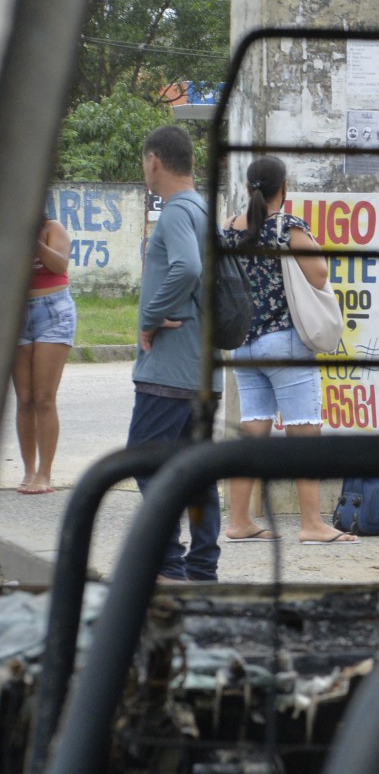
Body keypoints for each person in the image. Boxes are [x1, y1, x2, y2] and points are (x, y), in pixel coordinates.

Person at [218, 156, 356, 545]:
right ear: (284, 189)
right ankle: (312, 523)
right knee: (304, 434)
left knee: (252, 433)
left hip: (243, 345)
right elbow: (319, 274)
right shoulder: (286, 227)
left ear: (248, 189)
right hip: (285, 342)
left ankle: (240, 519)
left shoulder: (229, 228)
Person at [130, 125, 220, 584]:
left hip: (170, 368)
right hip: (203, 371)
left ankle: (169, 564)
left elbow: (187, 266)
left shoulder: (175, 213)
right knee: (199, 472)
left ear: (154, 161)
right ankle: (203, 566)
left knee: (145, 460)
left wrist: (151, 315)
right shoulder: (205, 209)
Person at [15, 211, 73, 494]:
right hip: (16, 312)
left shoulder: (53, 228)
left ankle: (44, 474)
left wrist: (32, 240)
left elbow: (60, 263)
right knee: (24, 398)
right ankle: (27, 471)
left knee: (44, 398)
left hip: (53, 310)